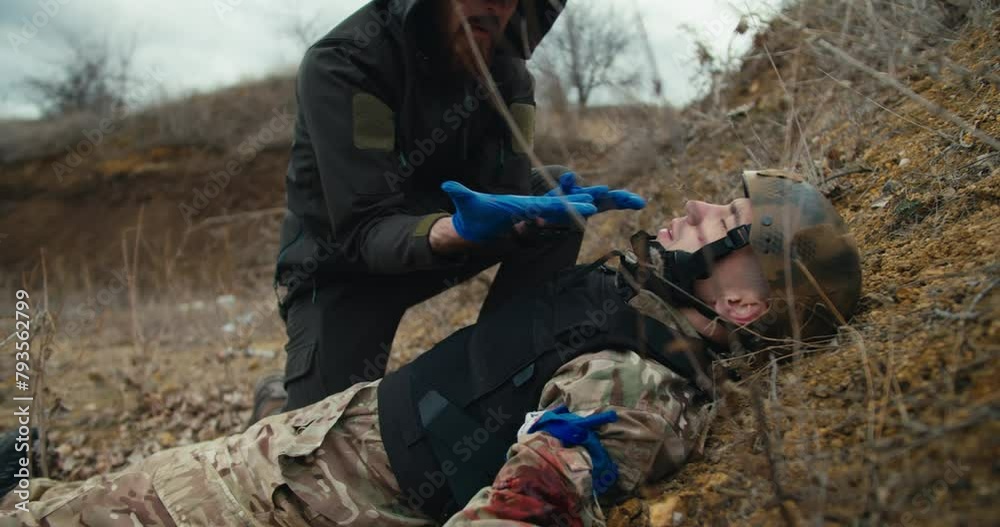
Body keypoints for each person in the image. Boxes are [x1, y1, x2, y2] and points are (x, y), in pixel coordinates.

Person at [0, 170, 862, 526]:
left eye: (727, 222)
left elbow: (526, 504)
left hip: (296, 498)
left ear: (745, 299)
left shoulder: (637, 381)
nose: (697, 212)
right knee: (90, 494)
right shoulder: (641, 317)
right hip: (306, 449)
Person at [261, 0, 647, 420]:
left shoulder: (509, 75)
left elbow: (509, 191)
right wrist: (452, 230)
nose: (497, 4)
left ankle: (500, 389)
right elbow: (363, 229)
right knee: (310, 446)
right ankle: (276, 402)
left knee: (555, 198)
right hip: (341, 269)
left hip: (447, 241)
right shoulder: (346, 62)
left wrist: (529, 220)